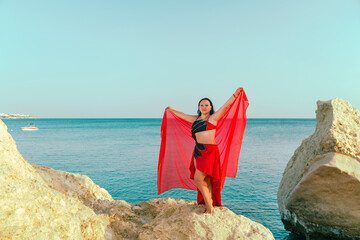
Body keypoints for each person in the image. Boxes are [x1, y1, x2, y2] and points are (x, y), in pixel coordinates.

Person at [165, 87, 244, 214]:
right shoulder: (195, 119)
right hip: (198, 152)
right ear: (199, 107)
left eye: (206, 105)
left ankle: (209, 208)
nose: (204, 107)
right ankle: (210, 204)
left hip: (210, 152)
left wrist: (235, 94)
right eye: (201, 105)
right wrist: (172, 110)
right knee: (206, 180)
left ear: (211, 107)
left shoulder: (213, 118)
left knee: (198, 179)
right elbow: (183, 115)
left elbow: (226, 106)